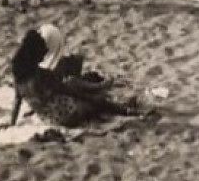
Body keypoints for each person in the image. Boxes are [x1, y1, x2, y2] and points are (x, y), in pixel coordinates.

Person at [8, 27, 140, 128]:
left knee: (75, 84)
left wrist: (12, 123)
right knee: (95, 101)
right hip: (65, 115)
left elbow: (17, 103)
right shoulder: (41, 76)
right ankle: (125, 109)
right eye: (42, 53)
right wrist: (94, 99)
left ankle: (102, 90)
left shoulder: (20, 78)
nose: (44, 56)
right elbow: (70, 91)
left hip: (47, 117)